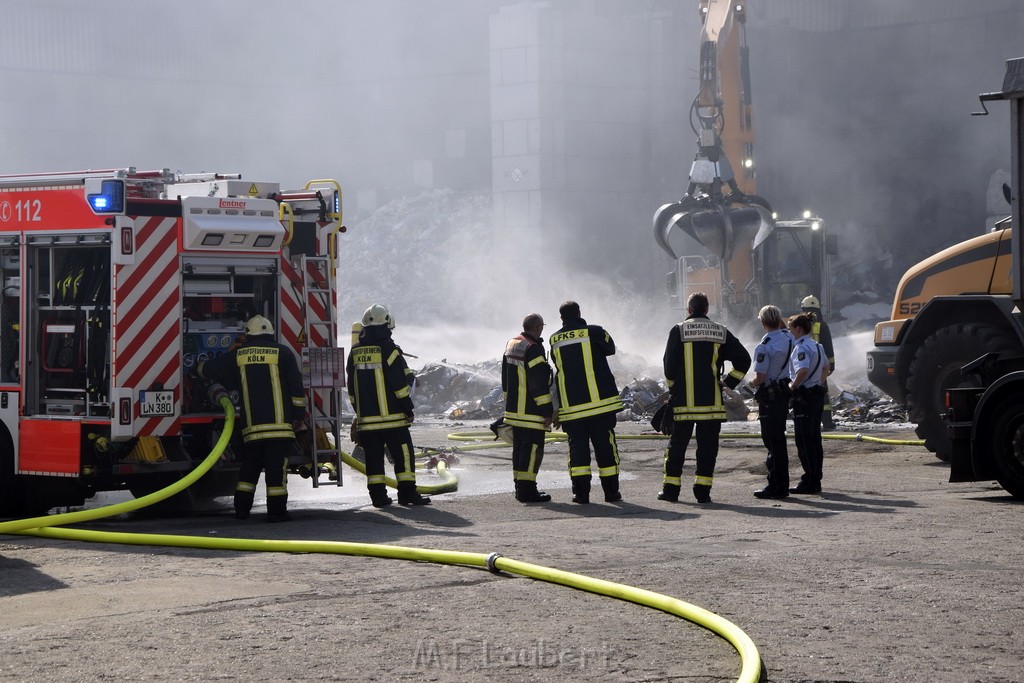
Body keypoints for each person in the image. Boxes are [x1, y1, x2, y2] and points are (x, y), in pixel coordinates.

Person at [198, 314, 306, 522]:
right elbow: (296, 390)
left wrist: (197, 368)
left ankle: (241, 510)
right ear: (271, 332)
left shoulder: (239, 355)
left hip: (252, 430)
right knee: (276, 473)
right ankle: (276, 513)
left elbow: (213, 369)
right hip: (280, 428)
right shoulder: (283, 354)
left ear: (247, 334)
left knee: (249, 470)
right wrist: (298, 416)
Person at [660, 292, 751, 504]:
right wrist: (728, 382)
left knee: (677, 447)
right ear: (707, 310)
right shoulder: (720, 331)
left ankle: (670, 491)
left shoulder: (678, 330)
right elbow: (744, 360)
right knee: (708, 449)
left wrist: (674, 389)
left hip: (683, 404)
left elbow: (669, 366)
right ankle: (703, 492)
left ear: (689, 309)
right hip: (712, 405)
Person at [346, 304, 430, 508]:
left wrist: (359, 413)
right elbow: (398, 384)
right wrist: (408, 409)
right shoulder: (389, 350)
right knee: (404, 456)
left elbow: (351, 387)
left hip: (367, 421)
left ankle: (378, 498)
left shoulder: (355, 351)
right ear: (385, 325)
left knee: (374, 461)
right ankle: (407, 494)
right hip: (393, 419)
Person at [549, 301, 623, 504]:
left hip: (572, 409)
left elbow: (558, 366)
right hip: (601, 406)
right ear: (579, 313)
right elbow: (611, 349)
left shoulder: (554, 339)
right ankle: (611, 493)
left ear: (561, 318)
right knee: (606, 449)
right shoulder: (596, 332)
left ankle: (580, 494)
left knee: (578, 452)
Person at [501, 313, 555, 503]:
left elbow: (505, 380)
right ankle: (528, 491)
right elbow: (538, 384)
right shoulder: (533, 348)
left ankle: (520, 488)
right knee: (532, 451)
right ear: (538, 327)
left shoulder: (512, 344)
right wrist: (547, 411)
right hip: (530, 412)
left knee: (519, 450)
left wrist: (509, 403)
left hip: (513, 411)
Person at [747, 305, 794, 499]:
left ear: (762, 322)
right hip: (784, 391)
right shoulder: (790, 338)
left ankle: (776, 486)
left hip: (769, 395)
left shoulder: (764, 345)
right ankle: (782, 483)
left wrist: (749, 383)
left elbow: (760, 376)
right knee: (779, 439)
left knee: (772, 441)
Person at [787, 312, 831, 494]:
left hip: (804, 398)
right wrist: (818, 383)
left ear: (798, 329)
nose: (790, 333)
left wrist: (792, 387)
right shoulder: (817, 346)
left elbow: (802, 370)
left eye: (790, 329)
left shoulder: (801, 347)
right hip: (816, 395)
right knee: (815, 439)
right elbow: (827, 368)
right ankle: (815, 479)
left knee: (804, 441)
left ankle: (809, 481)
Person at [800, 295, 836, 430]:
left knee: (803, 393)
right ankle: (827, 422)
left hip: (802, 365)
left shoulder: (799, 325)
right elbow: (828, 346)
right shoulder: (823, 326)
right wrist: (831, 365)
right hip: (820, 366)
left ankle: (806, 421)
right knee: (822, 393)